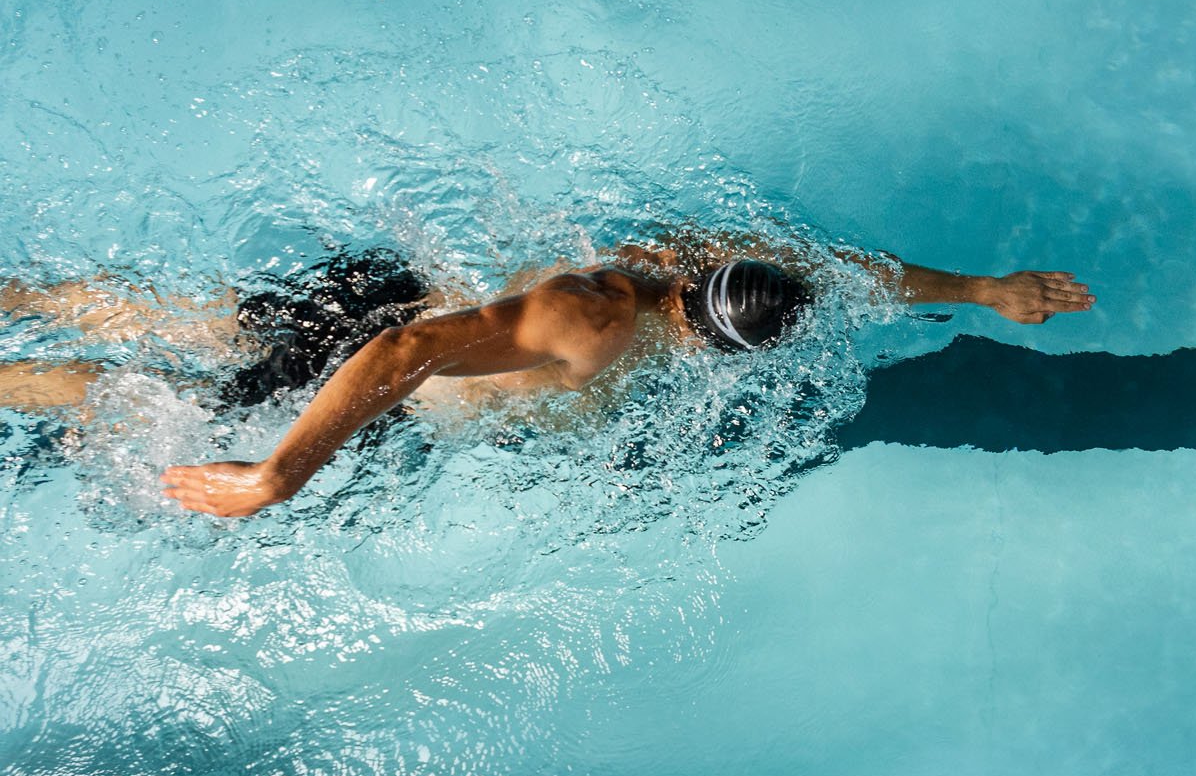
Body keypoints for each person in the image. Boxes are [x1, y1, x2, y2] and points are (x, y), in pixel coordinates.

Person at [0, 237, 1093, 518]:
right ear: (707, 338)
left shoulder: (704, 253)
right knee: (129, 391)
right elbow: (402, 354)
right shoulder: (596, 322)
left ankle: (26, 292)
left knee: (201, 318)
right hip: (374, 353)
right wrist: (280, 471)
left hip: (391, 295)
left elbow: (841, 273)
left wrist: (985, 287)